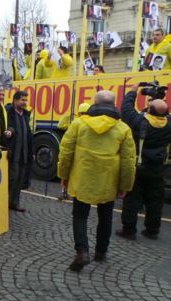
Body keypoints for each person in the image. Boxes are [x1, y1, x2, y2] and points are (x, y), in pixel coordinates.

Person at [57, 90, 136, 272]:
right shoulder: (123, 128)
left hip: (81, 178)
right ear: (114, 104)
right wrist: (125, 185)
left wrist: (64, 175)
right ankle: (101, 251)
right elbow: (128, 161)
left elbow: (66, 152)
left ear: (95, 103)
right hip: (108, 180)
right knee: (105, 217)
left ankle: (82, 251)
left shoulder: (79, 124)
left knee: (80, 215)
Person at [117, 84, 171, 240]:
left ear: (148, 109)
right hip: (158, 168)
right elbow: (162, 111)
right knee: (155, 200)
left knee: (132, 200)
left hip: (139, 168)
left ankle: (128, 230)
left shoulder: (139, 121)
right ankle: (152, 230)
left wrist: (134, 89)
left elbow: (126, 108)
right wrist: (160, 99)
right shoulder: (169, 124)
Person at [6, 91, 33, 212]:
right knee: (12, 178)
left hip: (24, 153)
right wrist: (10, 132)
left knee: (20, 179)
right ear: (15, 100)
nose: (25, 102)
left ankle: (14, 203)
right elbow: (9, 127)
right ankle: (4, 202)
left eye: (26, 100)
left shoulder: (26, 115)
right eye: (22, 100)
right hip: (13, 153)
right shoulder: (9, 113)